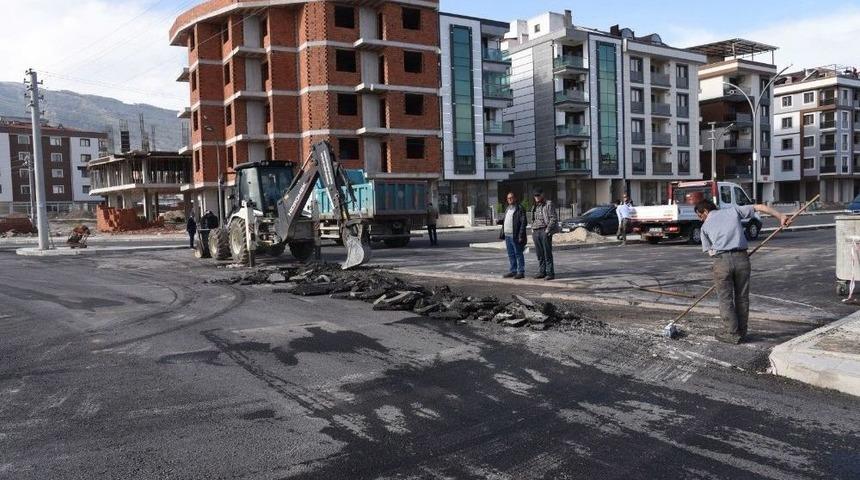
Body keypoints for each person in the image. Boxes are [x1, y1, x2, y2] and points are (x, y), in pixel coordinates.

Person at [695, 199, 791, 344]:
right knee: (742, 297)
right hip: (742, 258)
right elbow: (759, 207)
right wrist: (780, 216)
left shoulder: (704, 227)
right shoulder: (732, 211)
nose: (700, 219)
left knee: (725, 299)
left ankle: (732, 334)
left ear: (706, 211)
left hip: (721, 262)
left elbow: (710, 252)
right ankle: (742, 332)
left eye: (700, 215)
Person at [531, 188, 559, 281]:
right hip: (536, 231)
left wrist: (548, 230)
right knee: (539, 253)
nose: (537, 197)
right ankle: (542, 272)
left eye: (538, 195)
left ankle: (550, 273)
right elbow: (533, 218)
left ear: (542, 195)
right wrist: (532, 229)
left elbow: (553, 218)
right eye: (535, 195)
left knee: (547, 253)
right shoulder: (535, 206)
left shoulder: (548, 204)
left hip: (544, 230)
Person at [498, 192, 527, 279]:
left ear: (515, 198)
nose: (509, 199)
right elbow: (506, 219)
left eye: (511, 198)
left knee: (518, 253)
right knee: (511, 254)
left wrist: (521, 235)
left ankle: (521, 272)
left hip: (515, 235)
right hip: (507, 235)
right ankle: (513, 271)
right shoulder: (508, 208)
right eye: (508, 198)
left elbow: (523, 222)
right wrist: (499, 221)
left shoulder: (519, 208)